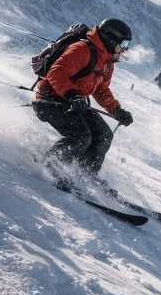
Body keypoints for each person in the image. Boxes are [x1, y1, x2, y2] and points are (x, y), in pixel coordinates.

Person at [33, 18, 134, 189]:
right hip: (51, 100)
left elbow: (101, 90)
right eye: (123, 44)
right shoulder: (82, 49)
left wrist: (116, 110)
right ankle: (50, 165)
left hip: (75, 102)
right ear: (111, 39)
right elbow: (57, 72)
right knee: (81, 135)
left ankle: (85, 174)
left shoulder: (107, 62)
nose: (125, 49)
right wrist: (72, 94)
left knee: (103, 135)